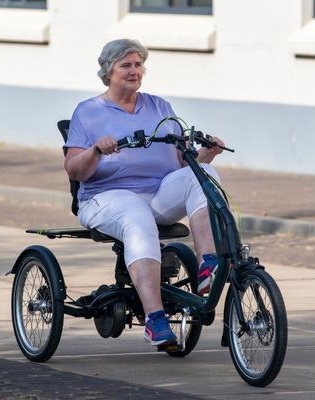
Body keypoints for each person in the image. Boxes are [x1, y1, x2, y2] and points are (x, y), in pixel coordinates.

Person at [64, 39, 225, 347]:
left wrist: (207, 155)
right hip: (105, 197)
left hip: (158, 194)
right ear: (108, 72)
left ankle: (208, 264)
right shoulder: (88, 112)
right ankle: (155, 319)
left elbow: (183, 164)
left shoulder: (160, 106)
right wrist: (96, 149)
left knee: (204, 176)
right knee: (136, 217)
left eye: (138, 65)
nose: (134, 71)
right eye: (126, 65)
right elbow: (74, 169)